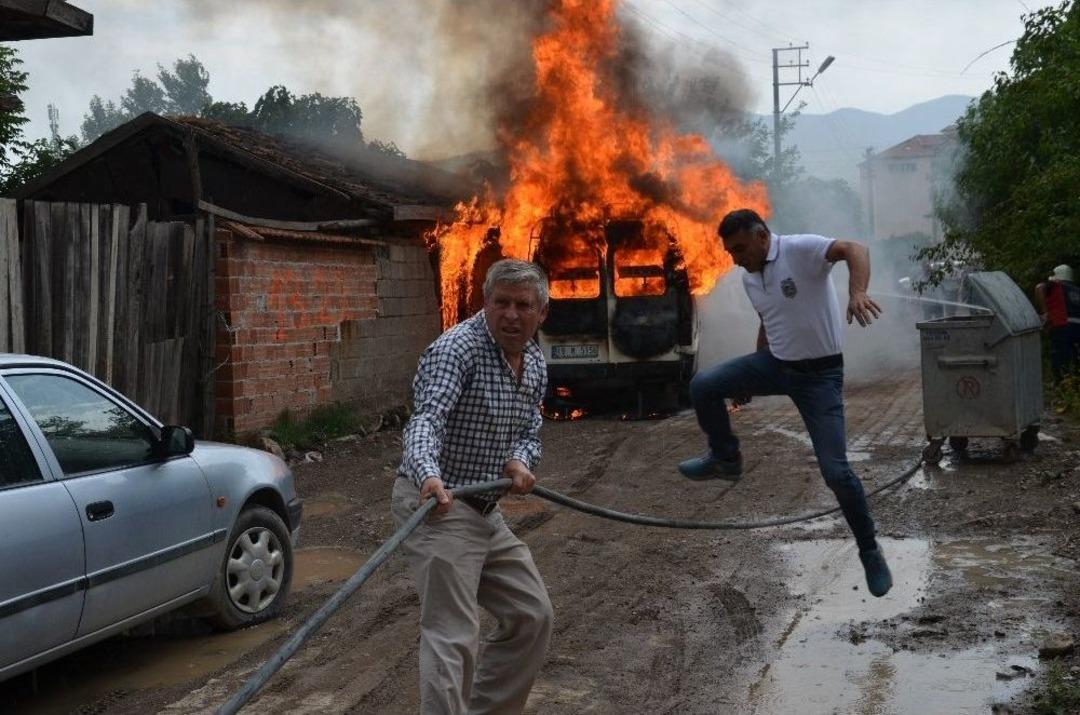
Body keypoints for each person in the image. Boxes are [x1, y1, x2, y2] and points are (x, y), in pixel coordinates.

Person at [677, 209, 893, 597]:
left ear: (762, 237)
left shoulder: (800, 249)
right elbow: (769, 319)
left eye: (739, 248)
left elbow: (854, 249)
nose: (734, 259)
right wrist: (750, 379)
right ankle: (726, 458)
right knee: (703, 385)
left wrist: (857, 292)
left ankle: (869, 550)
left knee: (836, 472)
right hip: (775, 364)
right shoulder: (749, 277)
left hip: (821, 377)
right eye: (729, 252)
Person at [391, 258, 553, 714]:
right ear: (485, 303)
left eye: (523, 305)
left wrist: (520, 461)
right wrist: (428, 473)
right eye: (501, 303)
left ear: (542, 312)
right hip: (438, 506)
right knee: (453, 634)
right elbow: (427, 418)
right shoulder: (456, 349)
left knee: (531, 615)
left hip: (485, 510)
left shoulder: (535, 362)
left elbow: (528, 428)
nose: (510, 315)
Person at [1034, 264, 1080, 381]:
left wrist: (1045, 313)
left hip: (1062, 327)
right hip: (1077, 328)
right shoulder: (1077, 290)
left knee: (1059, 360)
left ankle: (1061, 388)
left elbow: (1039, 288)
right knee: (1075, 359)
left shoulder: (1055, 285)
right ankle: (1073, 386)